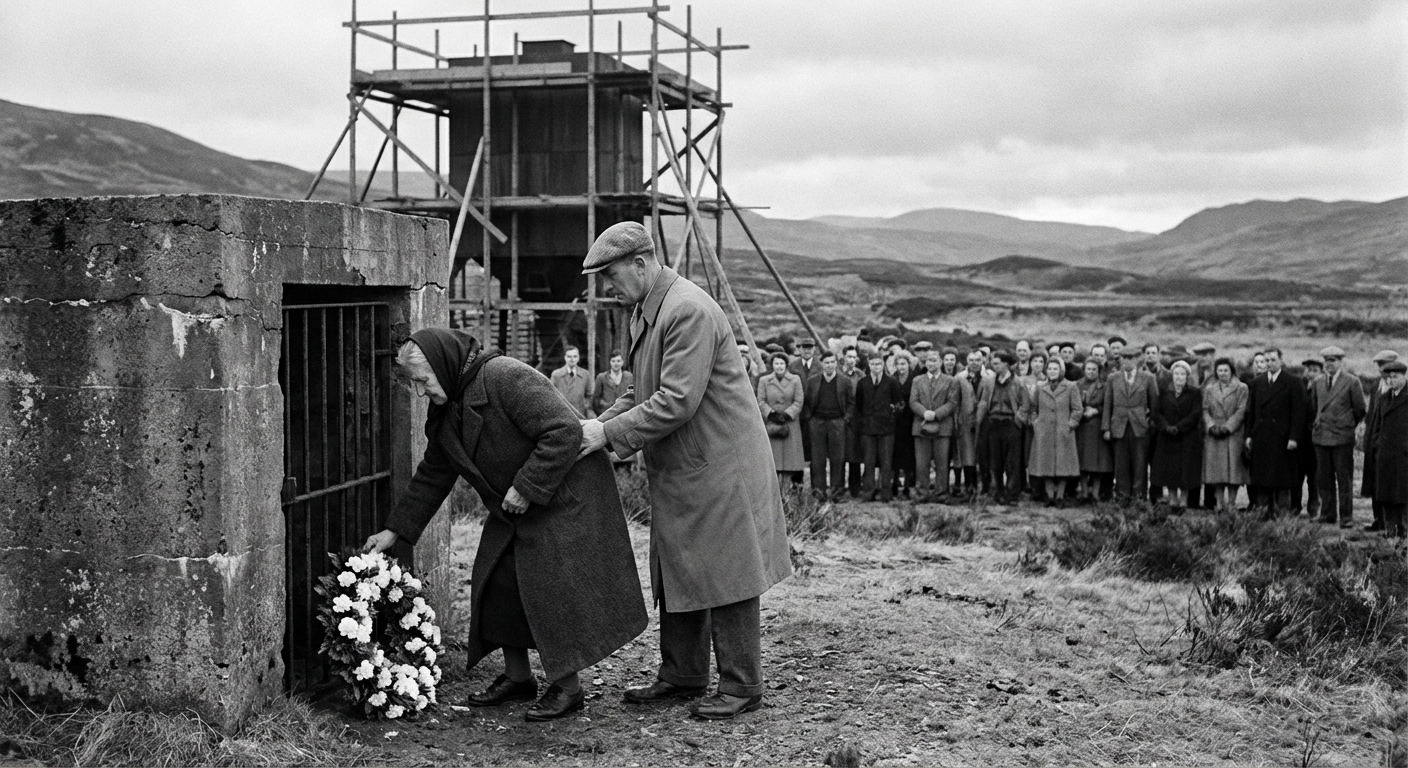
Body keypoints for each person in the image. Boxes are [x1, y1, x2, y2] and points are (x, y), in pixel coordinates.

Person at [363, 329, 647, 722]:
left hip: (564, 494)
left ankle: (568, 688)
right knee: (497, 579)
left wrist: (526, 487)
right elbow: (433, 474)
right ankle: (518, 678)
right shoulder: (447, 409)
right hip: (516, 507)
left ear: (443, 366)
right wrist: (393, 531)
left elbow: (563, 431)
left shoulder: (505, 377)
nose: (421, 392)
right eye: (415, 384)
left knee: (547, 586)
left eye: (423, 381)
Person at [579, 222, 791, 720]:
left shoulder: (686, 310)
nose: (608, 287)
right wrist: (594, 429)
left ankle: (742, 686)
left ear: (640, 264)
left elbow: (676, 400)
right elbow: (639, 392)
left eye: (611, 275)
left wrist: (606, 435)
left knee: (728, 572)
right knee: (680, 564)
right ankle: (682, 674)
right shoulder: (646, 311)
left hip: (720, 467)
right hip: (689, 467)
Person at [1308, 346, 1366, 527]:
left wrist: (1346, 424)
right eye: (1326, 361)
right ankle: (1327, 514)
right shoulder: (1317, 382)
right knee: (1323, 478)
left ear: (1341, 362)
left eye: (1333, 361)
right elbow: (1314, 408)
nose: (1329, 364)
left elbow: (1360, 409)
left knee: (1344, 479)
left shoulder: (1352, 382)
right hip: (1321, 437)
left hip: (1342, 438)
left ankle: (1346, 517)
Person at [1245, 347, 1306, 516]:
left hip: (1283, 438)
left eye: (1273, 360)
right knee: (1262, 478)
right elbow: (1252, 412)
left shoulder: (1293, 382)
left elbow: (1298, 413)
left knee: (1282, 479)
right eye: (1266, 360)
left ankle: (1282, 514)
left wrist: (1294, 437)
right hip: (1262, 437)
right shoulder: (1257, 382)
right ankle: (1263, 512)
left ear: (1281, 360)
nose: (1269, 363)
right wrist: (1249, 435)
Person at [1104, 347, 1161, 504]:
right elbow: (1108, 404)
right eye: (1125, 358)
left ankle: (1139, 498)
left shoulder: (1148, 378)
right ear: (1120, 359)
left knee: (1140, 463)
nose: (1128, 361)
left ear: (1138, 359)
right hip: (1118, 426)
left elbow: (1154, 404)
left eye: (1131, 358)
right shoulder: (1113, 378)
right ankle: (1122, 496)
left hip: (1140, 427)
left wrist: (1151, 424)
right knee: (1121, 464)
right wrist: (1106, 427)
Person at [976, 351, 1031, 504]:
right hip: (994, 425)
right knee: (995, 462)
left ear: (1006, 364)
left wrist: (1018, 419)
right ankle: (998, 492)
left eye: (997, 363)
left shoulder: (1018, 382)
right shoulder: (989, 382)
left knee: (1012, 462)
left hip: (1011, 425)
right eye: (993, 364)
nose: (994, 366)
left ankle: (1012, 494)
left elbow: (1026, 404)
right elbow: (983, 401)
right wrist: (979, 420)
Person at [1028, 358, 1082, 507]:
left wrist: (1070, 424)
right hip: (1044, 432)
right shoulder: (1040, 387)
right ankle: (1050, 496)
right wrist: (1036, 423)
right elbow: (1033, 408)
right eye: (1050, 369)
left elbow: (1077, 409)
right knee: (1045, 464)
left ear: (1061, 370)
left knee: (1063, 465)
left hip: (1063, 432)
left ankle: (1060, 497)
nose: (1052, 371)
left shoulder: (1071, 386)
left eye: (1055, 369)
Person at [1150, 361, 1203, 510]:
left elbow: (1195, 414)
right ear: (1172, 376)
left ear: (1187, 376)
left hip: (1186, 436)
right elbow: (1156, 413)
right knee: (1170, 470)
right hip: (1167, 437)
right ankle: (1172, 500)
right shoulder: (1164, 393)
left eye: (1182, 374)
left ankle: (1183, 502)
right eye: (1176, 374)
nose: (1179, 377)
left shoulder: (1195, 393)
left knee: (1186, 470)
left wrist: (1179, 428)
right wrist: (1166, 427)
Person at [910, 349, 961, 502]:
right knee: (921, 463)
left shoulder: (950, 381)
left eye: (935, 360)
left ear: (941, 362)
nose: (931, 364)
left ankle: (941, 493)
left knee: (942, 463)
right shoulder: (917, 380)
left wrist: (936, 414)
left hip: (942, 426)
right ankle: (922, 493)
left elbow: (952, 402)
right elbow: (913, 401)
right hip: (921, 426)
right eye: (929, 361)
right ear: (925, 363)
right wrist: (924, 412)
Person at [802, 351, 854, 497]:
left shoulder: (845, 381)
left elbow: (851, 403)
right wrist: (810, 419)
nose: (830, 365)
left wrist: (845, 420)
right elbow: (806, 402)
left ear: (836, 363)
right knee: (817, 459)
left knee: (838, 458)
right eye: (827, 362)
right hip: (817, 422)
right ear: (822, 364)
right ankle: (818, 491)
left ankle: (837, 491)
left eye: (832, 362)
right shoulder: (813, 381)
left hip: (837, 422)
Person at [854, 354, 904, 502]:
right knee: (868, 461)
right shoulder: (862, 383)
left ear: (883, 365)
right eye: (873, 364)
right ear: (869, 365)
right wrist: (863, 422)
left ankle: (886, 494)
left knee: (886, 462)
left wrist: (891, 414)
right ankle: (868, 493)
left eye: (878, 364)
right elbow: (858, 405)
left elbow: (900, 403)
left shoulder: (891, 382)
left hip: (886, 429)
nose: (876, 367)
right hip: (868, 429)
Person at [1202, 357, 1249, 512]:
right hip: (1214, 434)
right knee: (1217, 472)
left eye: (1226, 370)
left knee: (1233, 471)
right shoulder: (1209, 389)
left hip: (1233, 434)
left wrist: (1228, 427)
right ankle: (1219, 503)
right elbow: (1205, 410)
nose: (1223, 373)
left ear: (1232, 371)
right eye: (1220, 370)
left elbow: (1241, 410)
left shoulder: (1241, 388)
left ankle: (1232, 503)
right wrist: (1211, 426)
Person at [1361, 350, 1399, 532]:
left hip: (1391, 445)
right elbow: (1370, 415)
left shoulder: (1399, 387)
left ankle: (1392, 524)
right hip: (1374, 442)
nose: (1381, 369)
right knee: (1374, 482)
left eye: (1384, 365)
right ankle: (1379, 520)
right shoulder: (1377, 385)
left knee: (1389, 484)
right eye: (1379, 365)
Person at [1370, 360, 1407, 538]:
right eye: (1388, 377)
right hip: (1385, 457)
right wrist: (1378, 445)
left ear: (1404, 376)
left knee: (1403, 498)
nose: (1391, 380)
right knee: (1387, 497)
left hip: (1403, 457)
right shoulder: (1384, 398)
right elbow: (1377, 425)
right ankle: (1391, 536)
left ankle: (1405, 539)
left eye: (1395, 377)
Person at [758, 353, 805, 486]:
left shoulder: (795, 380)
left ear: (786, 365)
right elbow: (760, 400)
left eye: (782, 363)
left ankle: (790, 490)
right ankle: (774, 490)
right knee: (774, 460)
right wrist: (771, 414)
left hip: (790, 424)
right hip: (772, 424)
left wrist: (787, 414)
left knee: (790, 461)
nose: (779, 366)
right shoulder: (764, 380)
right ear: (772, 365)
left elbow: (799, 400)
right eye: (776, 363)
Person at [1074, 359, 1112, 503]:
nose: (1091, 372)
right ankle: (1084, 493)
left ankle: (1095, 494)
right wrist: (1082, 411)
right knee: (1082, 462)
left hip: (1097, 427)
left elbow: (1108, 405)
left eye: (1094, 369)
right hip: (1081, 426)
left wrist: (1096, 410)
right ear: (1084, 370)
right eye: (1088, 369)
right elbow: (1072, 403)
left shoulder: (1105, 386)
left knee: (1097, 463)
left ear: (1099, 371)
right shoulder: (1077, 385)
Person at [959, 351, 993, 496]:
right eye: (971, 360)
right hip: (966, 420)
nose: (974, 363)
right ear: (967, 361)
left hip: (984, 420)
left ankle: (986, 486)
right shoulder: (960, 378)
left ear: (982, 361)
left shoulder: (990, 377)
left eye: (977, 360)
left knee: (984, 454)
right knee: (968, 454)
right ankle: (970, 486)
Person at [891, 353, 918, 498]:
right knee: (895, 454)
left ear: (909, 365)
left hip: (910, 421)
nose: (901, 367)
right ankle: (894, 483)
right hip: (895, 422)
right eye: (898, 364)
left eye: (904, 364)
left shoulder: (915, 380)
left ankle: (908, 484)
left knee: (909, 455)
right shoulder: (891, 379)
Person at [842, 346, 865, 497]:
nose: (852, 360)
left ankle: (855, 487)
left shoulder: (861, 375)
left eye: (854, 357)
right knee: (840, 454)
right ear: (843, 357)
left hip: (856, 419)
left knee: (855, 455)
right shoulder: (838, 373)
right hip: (840, 417)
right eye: (849, 357)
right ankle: (838, 486)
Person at [551, 345, 594, 418]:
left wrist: (584, 405)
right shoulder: (556, 375)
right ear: (565, 357)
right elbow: (551, 395)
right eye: (569, 357)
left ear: (578, 358)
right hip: (562, 415)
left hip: (579, 414)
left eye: (575, 356)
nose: (572, 359)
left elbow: (589, 395)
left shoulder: (585, 374)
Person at [593, 350, 634, 419]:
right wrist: (601, 413)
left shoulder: (629, 377)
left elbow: (632, 396)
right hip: (606, 415)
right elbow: (596, 399)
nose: (616, 363)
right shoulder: (601, 377)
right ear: (610, 362)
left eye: (618, 361)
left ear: (622, 362)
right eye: (613, 361)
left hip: (624, 415)